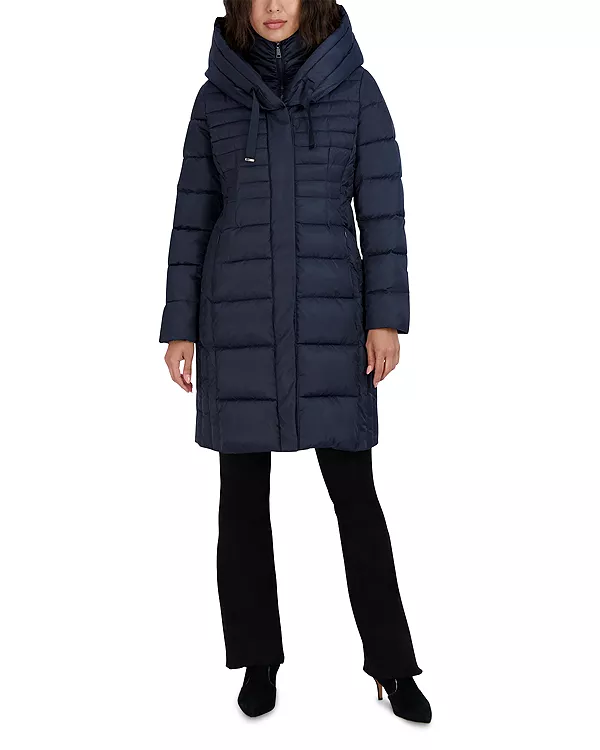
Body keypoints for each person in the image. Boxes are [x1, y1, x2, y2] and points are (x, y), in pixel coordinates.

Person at [159, 0, 431, 723]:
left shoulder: (356, 90)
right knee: (242, 502)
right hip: (237, 321)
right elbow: (192, 216)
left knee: (356, 500)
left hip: (331, 321)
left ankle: (393, 665)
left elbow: (383, 213)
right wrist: (180, 328)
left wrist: (384, 319)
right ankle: (258, 660)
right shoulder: (215, 98)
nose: (274, 5)